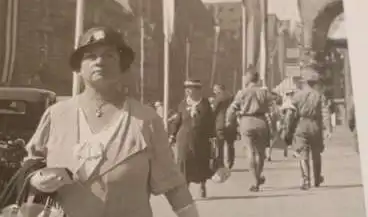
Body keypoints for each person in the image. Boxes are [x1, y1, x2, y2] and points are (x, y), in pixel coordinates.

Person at [23, 27, 199, 217]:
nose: (100, 61)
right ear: (79, 68)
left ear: (122, 65)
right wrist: (36, 180)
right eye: (90, 56)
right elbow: (31, 167)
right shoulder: (56, 115)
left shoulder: (145, 120)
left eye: (109, 56)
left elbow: (173, 186)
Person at [226, 69, 273, 192]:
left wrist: (229, 121)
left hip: (246, 122)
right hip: (261, 121)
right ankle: (258, 177)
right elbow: (274, 108)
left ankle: (254, 180)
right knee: (260, 153)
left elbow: (232, 108)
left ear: (248, 78)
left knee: (249, 151)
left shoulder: (242, 92)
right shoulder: (264, 92)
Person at [169, 79, 216, 198]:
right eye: (186, 88)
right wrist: (172, 135)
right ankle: (186, 189)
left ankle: (202, 184)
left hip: (201, 139)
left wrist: (213, 138)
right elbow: (177, 121)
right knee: (184, 162)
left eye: (190, 88)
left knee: (201, 161)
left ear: (198, 90)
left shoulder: (205, 104)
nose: (187, 91)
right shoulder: (183, 104)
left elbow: (211, 122)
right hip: (184, 137)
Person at [291, 70, 333, 190]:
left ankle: (306, 180)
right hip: (315, 125)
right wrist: (328, 128)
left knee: (303, 153)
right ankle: (317, 178)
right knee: (316, 153)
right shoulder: (319, 95)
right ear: (315, 83)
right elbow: (325, 112)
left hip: (302, 124)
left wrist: (289, 128)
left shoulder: (297, 95)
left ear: (305, 82)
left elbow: (291, 112)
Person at [212, 84, 236, 169]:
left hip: (220, 123)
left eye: (215, 90)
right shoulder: (232, 96)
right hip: (231, 123)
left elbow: (213, 110)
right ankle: (230, 163)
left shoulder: (219, 97)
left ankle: (221, 163)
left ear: (219, 89)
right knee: (230, 144)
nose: (214, 92)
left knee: (220, 145)